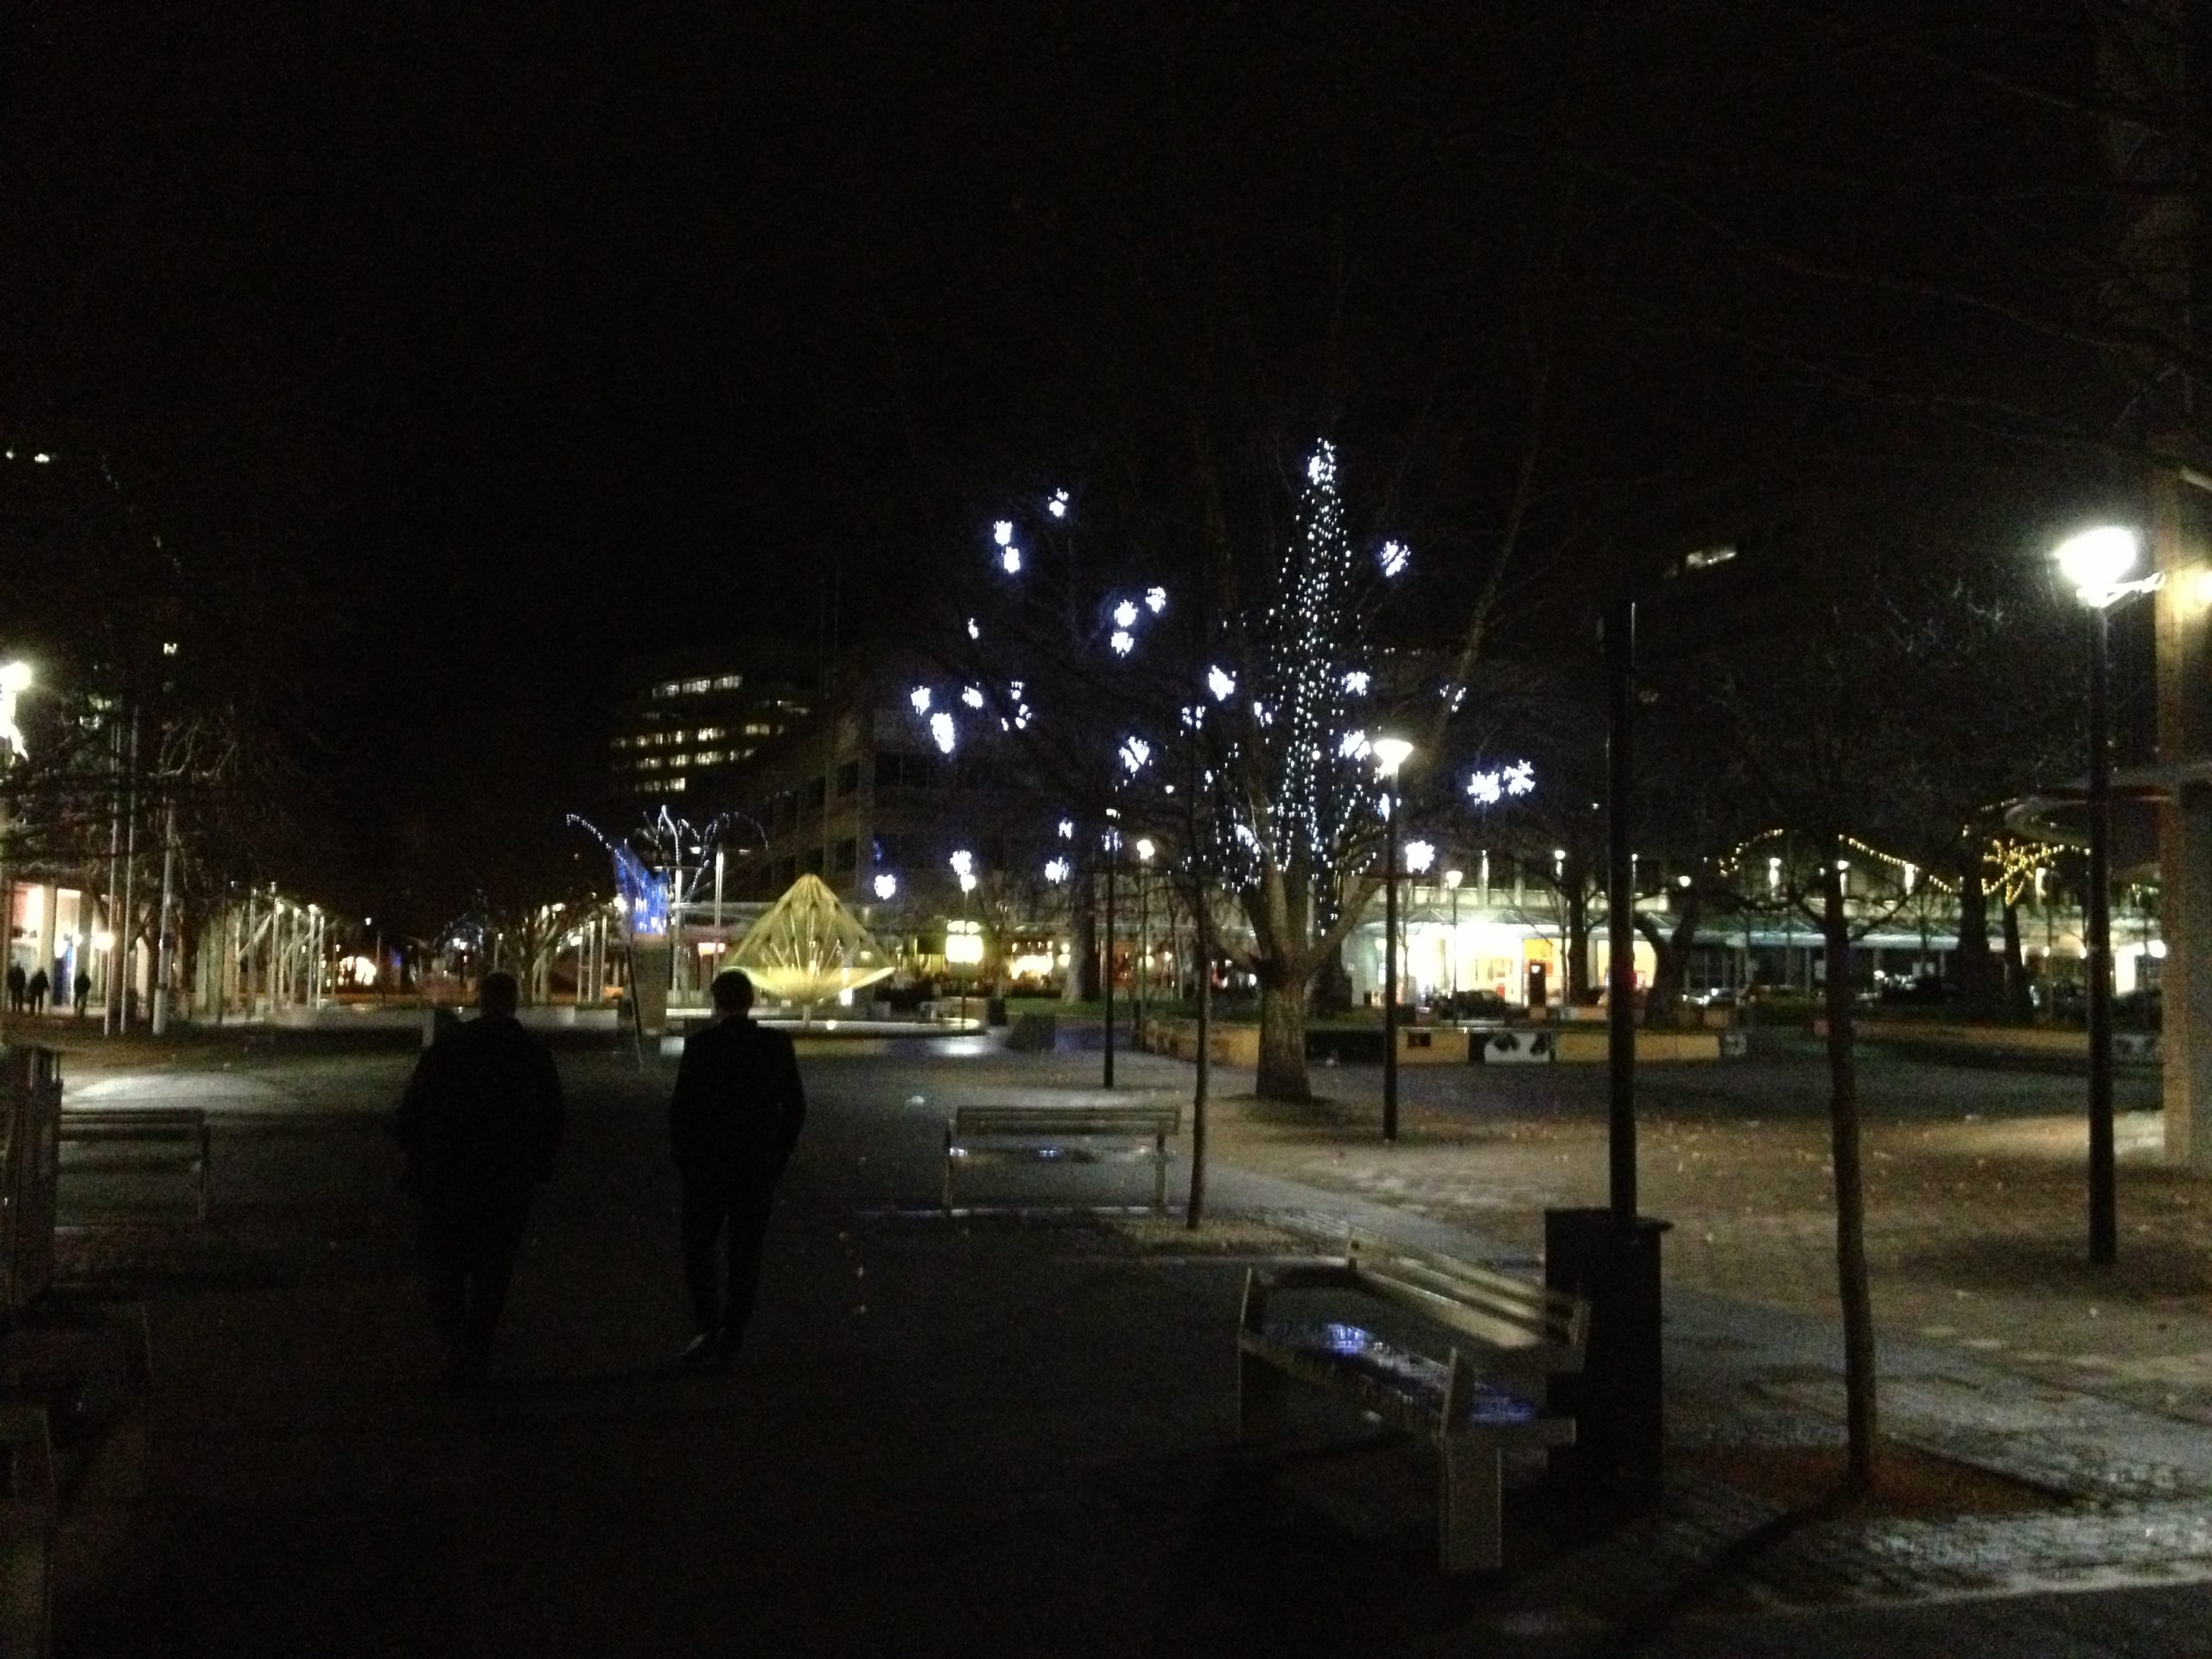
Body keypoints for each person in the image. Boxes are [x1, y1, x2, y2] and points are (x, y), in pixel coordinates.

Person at [394, 971, 564, 1387]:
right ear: (514, 1002)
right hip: (507, 1179)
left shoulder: (449, 1050)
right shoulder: (532, 1056)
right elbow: (552, 1118)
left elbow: (411, 1112)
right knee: (494, 1270)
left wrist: (419, 1161)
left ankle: (454, 1343)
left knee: (444, 1266)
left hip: (449, 1175)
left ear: (480, 1000)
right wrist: (537, 1167)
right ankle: (477, 1346)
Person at [668, 969, 805, 1370]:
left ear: (717, 1003)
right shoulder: (776, 1045)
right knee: (746, 1254)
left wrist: (686, 1158)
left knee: (699, 1248)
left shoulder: (702, 1046)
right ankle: (733, 1334)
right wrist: (779, 1153)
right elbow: (795, 1106)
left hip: (707, 1166)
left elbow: (682, 1109)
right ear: (751, 1001)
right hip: (756, 1166)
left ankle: (707, 1327)